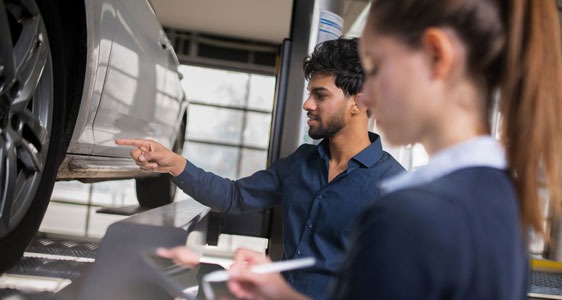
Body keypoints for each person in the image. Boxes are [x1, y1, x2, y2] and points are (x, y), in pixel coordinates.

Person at [217, 0, 562, 299]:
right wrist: (280, 291)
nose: (367, 97)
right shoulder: (504, 199)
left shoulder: (407, 213)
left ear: (436, 56)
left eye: (378, 67)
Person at [116, 37, 404, 299]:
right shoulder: (301, 163)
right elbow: (233, 196)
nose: (307, 104)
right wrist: (175, 164)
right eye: (309, 94)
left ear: (359, 102)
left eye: (320, 95)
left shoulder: (396, 189)